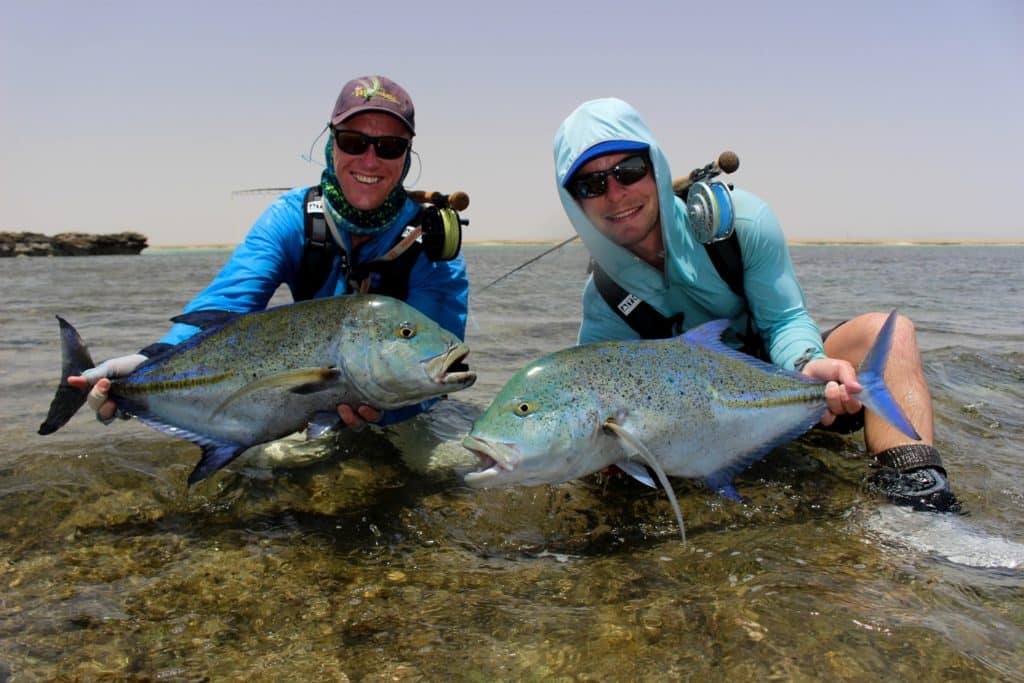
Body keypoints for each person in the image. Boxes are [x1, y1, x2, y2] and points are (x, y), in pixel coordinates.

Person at [552, 97, 958, 512]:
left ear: (655, 166)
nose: (616, 195)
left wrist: (807, 364)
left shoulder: (742, 222)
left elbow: (784, 318)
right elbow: (593, 393)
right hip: (706, 426)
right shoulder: (604, 300)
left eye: (629, 171)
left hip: (787, 383)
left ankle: (918, 500)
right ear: (576, 203)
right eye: (592, 185)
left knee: (890, 334)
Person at [70, 75, 469, 430]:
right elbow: (227, 305)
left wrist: (388, 414)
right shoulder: (289, 219)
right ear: (332, 146)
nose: (370, 159)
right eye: (353, 141)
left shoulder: (431, 243)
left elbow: (433, 375)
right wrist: (149, 362)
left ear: (406, 156)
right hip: (310, 397)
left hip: (385, 405)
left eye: (389, 146)